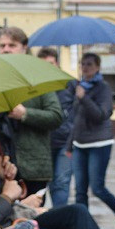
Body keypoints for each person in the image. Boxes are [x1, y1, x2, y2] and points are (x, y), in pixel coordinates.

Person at [69, 53, 115, 229]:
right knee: (80, 191)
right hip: (79, 144)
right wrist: (68, 146)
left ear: (98, 67)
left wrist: (84, 98)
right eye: (83, 64)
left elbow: (101, 115)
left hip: (100, 143)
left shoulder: (103, 88)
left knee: (97, 188)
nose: (85, 67)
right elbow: (76, 119)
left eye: (89, 64)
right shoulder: (79, 87)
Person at [0, 27, 63, 195]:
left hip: (33, 167)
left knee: (36, 217)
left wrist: (25, 114)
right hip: (1, 166)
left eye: (12, 45)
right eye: (2, 45)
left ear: (24, 47)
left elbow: (56, 116)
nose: (6, 50)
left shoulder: (38, 77)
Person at [37, 47, 76, 206]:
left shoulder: (70, 84)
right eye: (43, 64)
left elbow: (78, 112)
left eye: (51, 63)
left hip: (65, 142)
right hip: (43, 143)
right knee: (43, 186)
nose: (48, 68)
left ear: (57, 63)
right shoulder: (37, 86)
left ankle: (60, 221)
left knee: (61, 181)